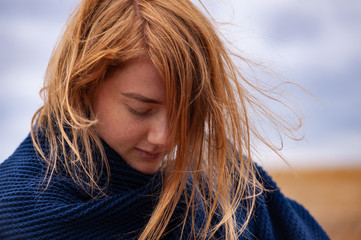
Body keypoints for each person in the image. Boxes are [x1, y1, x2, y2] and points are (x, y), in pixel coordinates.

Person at [0, 0, 329, 239]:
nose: (165, 137)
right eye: (141, 109)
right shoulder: (17, 207)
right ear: (85, 85)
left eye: (187, 112)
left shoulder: (232, 191)